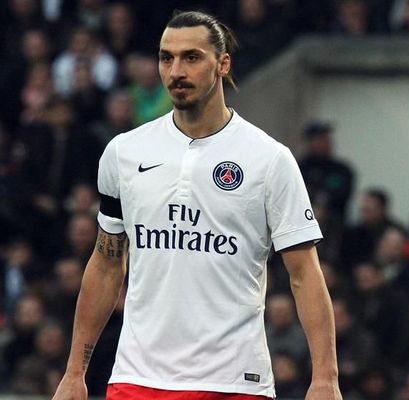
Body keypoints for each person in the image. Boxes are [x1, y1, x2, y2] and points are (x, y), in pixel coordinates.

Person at [52, 10, 341, 400]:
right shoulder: (124, 153)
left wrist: (325, 379)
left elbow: (305, 274)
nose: (175, 71)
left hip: (234, 381)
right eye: (166, 58)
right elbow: (106, 263)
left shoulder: (269, 159)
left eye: (191, 57)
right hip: (137, 380)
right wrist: (74, 373)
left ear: (223, 64)